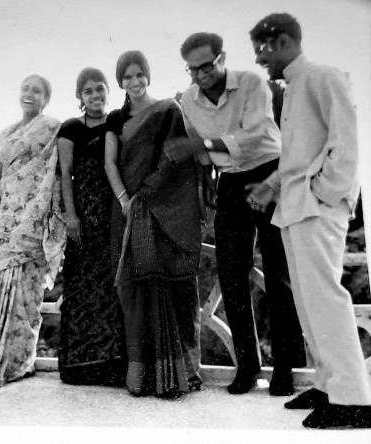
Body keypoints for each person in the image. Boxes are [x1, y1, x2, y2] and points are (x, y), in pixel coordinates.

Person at [248, 13, 371, 428]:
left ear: (281, 41)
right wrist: (272, 184)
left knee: (325, 299)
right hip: (297, 207)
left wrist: (324, 192)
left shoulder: (323, 76)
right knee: (307, 300)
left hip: (318, 206)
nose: (260, 61)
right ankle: (327, 385)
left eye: (262, 52)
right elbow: (297, 155)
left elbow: (346, 142)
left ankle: (354, 399)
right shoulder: (295, 86)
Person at [178, 32, 305, 396]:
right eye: (193, 69)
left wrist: (201, 144)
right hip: (231, 184)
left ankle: (284, 368)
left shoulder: (251, 83)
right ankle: (247, 366)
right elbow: (198, 152)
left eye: (207, 65)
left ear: (222, 58)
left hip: (269, 174)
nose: (201, 74)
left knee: (278, 274)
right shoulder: (188, 99)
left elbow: (256, 133)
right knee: (231, 272)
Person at [0, 75, 66, 388]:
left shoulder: (50, 128)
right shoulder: (8, 134)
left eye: (37, 91)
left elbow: (53, 175)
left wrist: (36, 217)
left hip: (32, 219)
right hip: (4, 219)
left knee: (25, 294)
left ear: (46, 98)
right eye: (25, 89)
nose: (29, 94)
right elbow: (2, 180)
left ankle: (18, 363)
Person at [105, 51, 202, 398]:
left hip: (163, 209)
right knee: (135, 290)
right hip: (129, 211)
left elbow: (176, 157)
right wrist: (126, 201)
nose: (134, 82)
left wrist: (147, 194)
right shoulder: (116, 118)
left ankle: (177, 377)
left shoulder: (166, 111)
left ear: (148, 75)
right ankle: (143, 378)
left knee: (172, 289)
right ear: (120, 82)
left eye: (138, 75)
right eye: (127, 77)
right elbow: (111, 164)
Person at [57, 67, 126, 386]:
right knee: (81, 290)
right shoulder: (71, 127)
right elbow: (65, 174)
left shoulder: (116, 122)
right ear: (79, 98)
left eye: (100, 89)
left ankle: (110, 366)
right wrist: (71, 216)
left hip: (111, 215)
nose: (95, 96)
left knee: (110, 288)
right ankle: (77, 367)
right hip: (83, 216)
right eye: (88, 91)